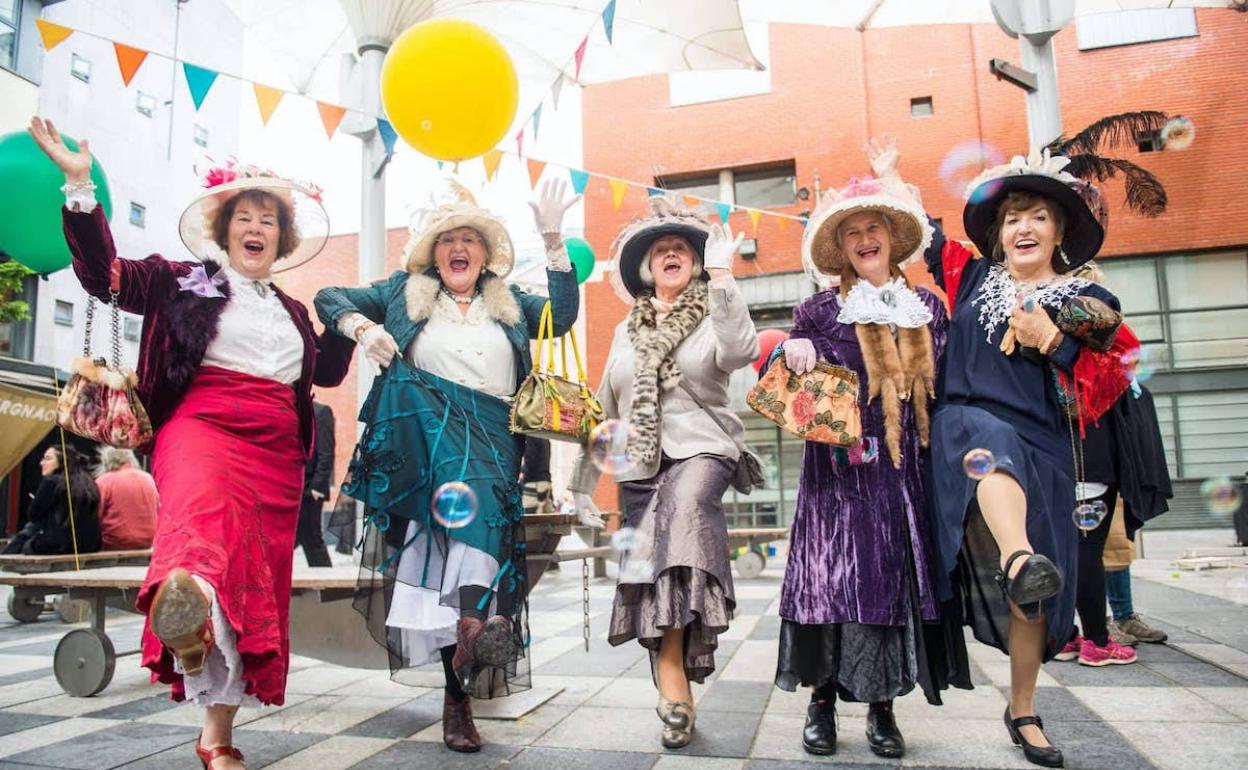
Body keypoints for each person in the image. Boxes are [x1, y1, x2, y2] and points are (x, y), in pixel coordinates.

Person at [30, 117, 354, 770]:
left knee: (254, 589)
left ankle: (216, 736)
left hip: (277, 458)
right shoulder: (182, 279)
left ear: (280, 236)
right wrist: (79, 186)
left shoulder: (291, 311)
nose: (256, 227)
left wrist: (352, 321)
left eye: (268, 218)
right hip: (201, 426)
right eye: (245, 216)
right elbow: (105, 276)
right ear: (225, 226)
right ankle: (187, 612)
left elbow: (324, 373)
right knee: (198, 534)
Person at [315, 178, 580, 753]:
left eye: (470, 240)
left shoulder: (511, 305)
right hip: (421, 437)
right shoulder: (399, 293)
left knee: (472, 535)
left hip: (492, 434)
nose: (458, 248)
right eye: (447, 240)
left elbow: (562, 316)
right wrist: (363, 327)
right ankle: (462, 678)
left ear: (485, 254)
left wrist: (554, 239)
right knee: (441, 557)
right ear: (434, 253)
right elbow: (328, 296)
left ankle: (468, 649)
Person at [924, 150, 1130, 768]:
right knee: (991, 442)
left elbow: (1110, 351)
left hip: (1044, 446)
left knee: (1032, 600)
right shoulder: (973, 280)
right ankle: (1017, 558)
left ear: (1059, 232)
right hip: (965, 428)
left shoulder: (1084, 295)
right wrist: (887, 177)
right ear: (997, 234)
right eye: (1012, 217)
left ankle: (1022, 709)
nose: (1023, 227)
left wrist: (1058, 338)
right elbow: (920, 232)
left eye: (1038, 216)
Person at [773, 145, 969, 759]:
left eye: (873, 228)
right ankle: (822, 703)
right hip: (836, 478)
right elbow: (791, 365)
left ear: (891, 238)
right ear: (842, 248)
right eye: (852, 231)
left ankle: (882, 709)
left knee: (887, 588)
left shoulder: (928, 309)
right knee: (831, 585)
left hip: (902, 477)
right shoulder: (819, 308)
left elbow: (949, 389)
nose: (864, 238)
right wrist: (793, 348)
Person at [569, 196, 759, 749]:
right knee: (654, 569)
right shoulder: (626, 333)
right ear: (647, 271)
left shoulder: (713, 308)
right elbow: (605, 412)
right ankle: (677, 694)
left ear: (695, 264)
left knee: (685, 513)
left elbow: (741, 349)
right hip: (640, 466)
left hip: (703, 451)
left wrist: (724, 276)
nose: (670, 254)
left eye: (680, 248)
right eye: (659, 251)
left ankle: (673, 670)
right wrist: (582, 487)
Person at [3, 445, 101, 555]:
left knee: (27, 537)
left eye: (47, 458)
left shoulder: (52, 482)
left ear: (62, 461)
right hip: (90, 545)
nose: (42, 463)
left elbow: (33, 515)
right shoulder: (89, 483)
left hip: (59, 546)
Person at [295, 398, 335, 567]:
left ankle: (332, 592)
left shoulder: (320, 411)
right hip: (291, 490)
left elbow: (326, 453)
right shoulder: (288, 410)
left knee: (313, 542)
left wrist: (316, 489)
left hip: (310, 492)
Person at [94, 447, 158, 550]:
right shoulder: (148, 478)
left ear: (106, 461)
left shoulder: (104, 481)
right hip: (148, 541)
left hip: (115, 543)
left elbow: (95, 516)